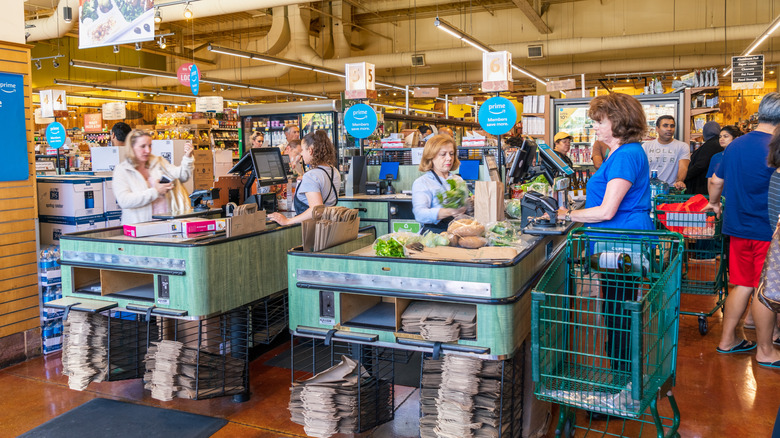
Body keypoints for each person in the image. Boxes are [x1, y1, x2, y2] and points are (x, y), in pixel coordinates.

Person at [552, 93, 652, 383]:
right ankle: (622, 379)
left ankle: (622, 384)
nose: (594, 126)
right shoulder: (621, 154)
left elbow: (608, 211)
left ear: (619, 122)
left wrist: (567, 215)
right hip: (617, 246)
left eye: (600, 121)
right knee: (616, 314)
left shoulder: (626, 156)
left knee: (618, 317)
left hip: (621, 247)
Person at [705, 92, 780, 362]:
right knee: (765, 289)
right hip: (768, 230)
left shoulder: (735, 145)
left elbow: (715, 181)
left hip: (738, 227)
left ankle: (728, 340)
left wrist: (713, 204)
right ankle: (765, 350)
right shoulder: (776, 146)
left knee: (743, 284)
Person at [113, 130, 194, 225]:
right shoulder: (122, 170)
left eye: (150, 145)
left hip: (166, 225)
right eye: (143, 146)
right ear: (131, 148)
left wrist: (187, 158)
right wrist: (155, 191)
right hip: (139, 229)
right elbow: (124, 201)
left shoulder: (158, 162)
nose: (148, 150)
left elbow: (182, 176)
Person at [751, 127, 780, 368]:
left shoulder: (776, 172)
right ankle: (765, 348)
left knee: (768, 288)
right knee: (768, 290)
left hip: (773, 235)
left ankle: (766, 344)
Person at [268, 130, 340, 225]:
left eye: (302, 150)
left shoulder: (311, 176)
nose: (301, 154)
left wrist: (287, 221)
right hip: (327, 226)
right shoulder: (334, 171)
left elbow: (316, 210)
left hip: (309, 229)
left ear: (310, 150)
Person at [412, 134, 467, 233]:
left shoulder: (458, 180)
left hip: (457, 233)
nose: (449, 158)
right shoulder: (422, 182)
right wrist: (448, 211)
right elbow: (419, 214)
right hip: (433, 235)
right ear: (431, 156)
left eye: (451, 153)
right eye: (443, 154)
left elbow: (465, 209)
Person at [643, 115, 690, 189]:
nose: (669, 129)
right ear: (657, 129)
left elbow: (683, 167)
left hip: (671, 190)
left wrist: (680, 181)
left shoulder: (682, 146)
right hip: (649, 189)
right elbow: (641, 169)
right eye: (665, 126)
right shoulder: (646, 146)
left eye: (672, 126)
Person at [684, 121, 722, 195]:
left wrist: (686, 176)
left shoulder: (711, 145)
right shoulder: (718, 143)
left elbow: (700, 165)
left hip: (702, 185)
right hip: (710, 184)